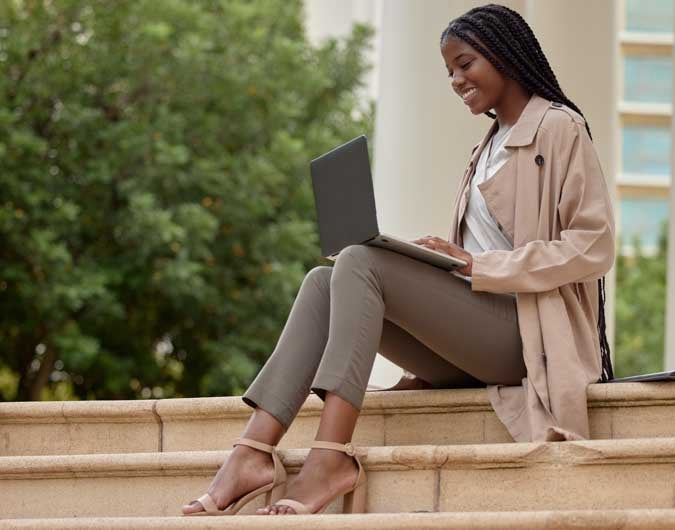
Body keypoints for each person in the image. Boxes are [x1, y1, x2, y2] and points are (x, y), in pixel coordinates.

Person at [180, 3, 615, 517]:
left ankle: (330, 459)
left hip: (528, 337)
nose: (456, 79)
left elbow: (594, 244)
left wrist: (478, 267)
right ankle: (252, 452)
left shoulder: (559, 127)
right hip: (478, 338)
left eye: (465, 63)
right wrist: (440, 264)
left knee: (362, 260)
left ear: (503, 54)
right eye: (449, 70)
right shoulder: (485, 148)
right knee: (326, 278)